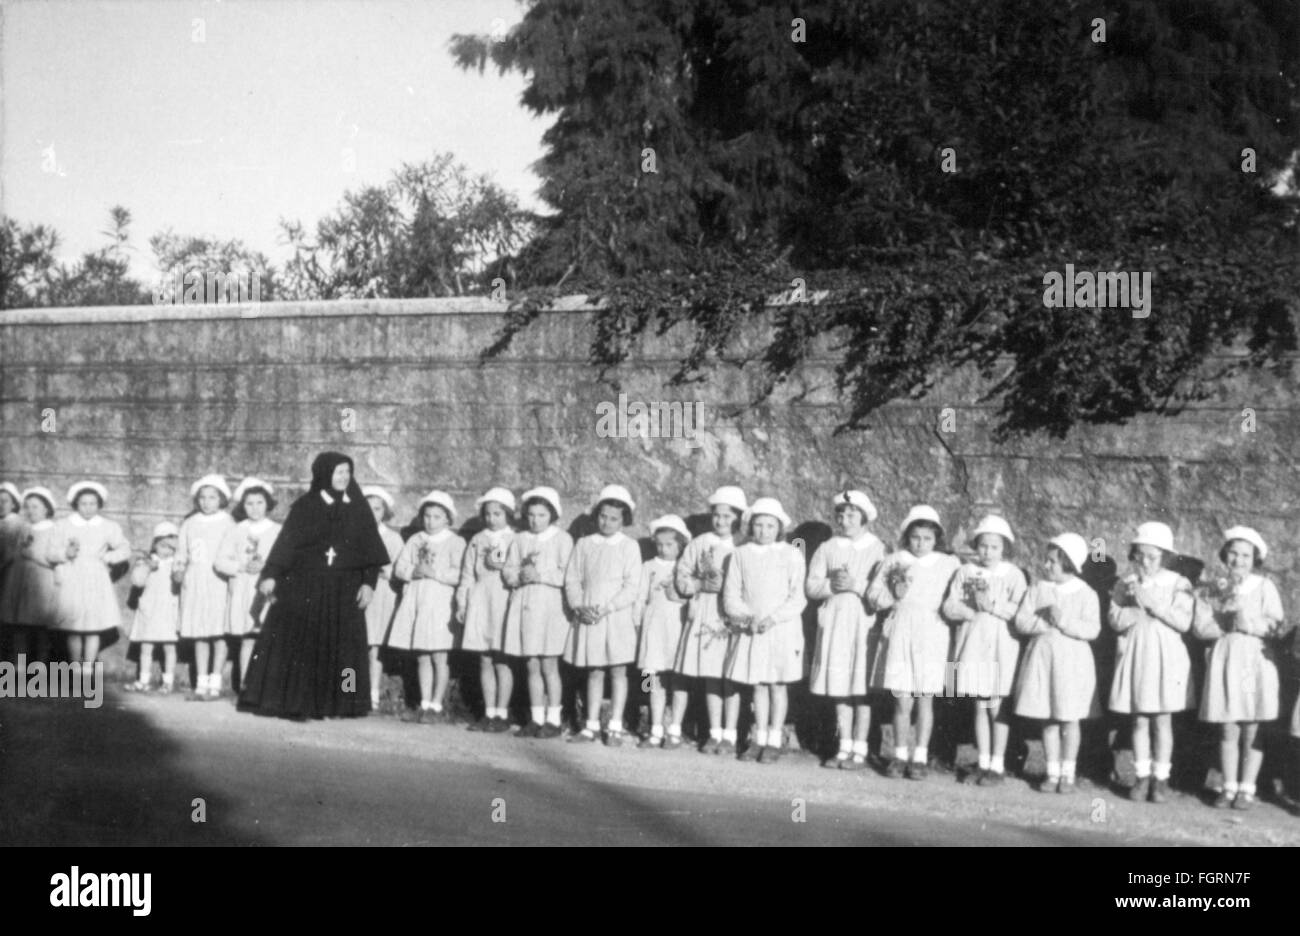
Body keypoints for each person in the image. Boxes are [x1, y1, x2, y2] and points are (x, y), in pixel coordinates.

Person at [239, 452, 390, 720]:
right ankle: (302, 701)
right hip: (306, 588)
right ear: (323, 474)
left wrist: (368, 584)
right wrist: (272, 574)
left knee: (346, 650)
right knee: (305, 649)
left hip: (345, 590)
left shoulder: (358, 508)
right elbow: (286, 545)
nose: (343, 477)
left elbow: (370, 552)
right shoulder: (306, 506)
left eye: (347, 472)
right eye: (337, 472)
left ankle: (347, 701)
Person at [1195, 527, 1290, 810]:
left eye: (1246, 555)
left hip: (1253, 663)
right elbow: (1200, 627)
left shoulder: (1264, 587)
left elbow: (1275, 626)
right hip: (1226, 658)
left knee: (1251, 725)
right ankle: (1228, 786)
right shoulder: (1213, 587)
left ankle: (1246, 788)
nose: (1238, 560)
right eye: (1233, 554)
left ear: (1255, 559)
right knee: (1228, 727)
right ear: (1225, 555)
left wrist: (1246, 619)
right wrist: (1223, 622)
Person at [868, 505, 961, 780]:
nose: (921, 544)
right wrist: (894, 595)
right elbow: (874, 595)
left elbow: (957, 596)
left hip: (932, 633)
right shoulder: (895, 560)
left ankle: (919, 756)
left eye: (927, 539)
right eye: (916, 537)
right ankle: (899, 755)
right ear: (907, 536)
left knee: (925, 700)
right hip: (900, 631)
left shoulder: (948, 564)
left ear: (937, 540)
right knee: (902, 700)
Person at [1108, 522, 1195, 803]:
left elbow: (1183, 621)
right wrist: (1133, 608)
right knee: (1139, 719)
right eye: (1139, 556)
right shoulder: (1126, 583)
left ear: (1165, 557)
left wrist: (1154, 605)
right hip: (1137, 655)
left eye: (1152, 557)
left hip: (1166, 658)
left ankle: (1161, 779)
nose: (1145, 562)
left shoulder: (1178, 583)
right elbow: (1114, 619)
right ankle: (1141, 776)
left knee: (1162, 720)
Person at [943, 515, 1028, 786]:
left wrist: (990, 604)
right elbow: (949, 605)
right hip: (975, 644)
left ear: (1004, 549)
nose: (987, 552)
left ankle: (997, 763)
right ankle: (983, 761)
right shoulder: (966, 572)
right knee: (980, 705)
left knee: (996, 707)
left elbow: (1019, 610)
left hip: (1001, 646)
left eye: (994, 547)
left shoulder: (1013, 575)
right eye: (983, 546)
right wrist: (967, 610)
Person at [1013, 533, 1101, 793]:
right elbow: (1021, 621)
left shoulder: (1086, 593)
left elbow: (1092, 629)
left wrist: (1062, 621)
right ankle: (1051, 771)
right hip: (1043, 659)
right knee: (1048, 718)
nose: (1046, 565)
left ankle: (1068, 773)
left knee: (1069, 718)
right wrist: (1044, 622)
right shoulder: (1038, 588)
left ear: (1069, 563)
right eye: (1047, 560)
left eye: (1053, 561)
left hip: (1072, 664)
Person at [806, 490, 886, 770]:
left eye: (852, 514)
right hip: (836, 624)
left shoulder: (877, 549)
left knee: (861, 689)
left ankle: (861, 748)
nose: (845, 519)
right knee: (840, 688)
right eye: (841, 513)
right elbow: (812, 586)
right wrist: (831, 586)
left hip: (863, 624)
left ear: (864, 517)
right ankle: (844, 746)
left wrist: (856, 585)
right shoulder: (828, 548)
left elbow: (883, 590)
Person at [724, 497, 807, 764]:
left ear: (779, 528)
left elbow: (798, 598)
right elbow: (731, 595)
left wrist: (772, 619)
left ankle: (774, 738)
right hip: (752, 629)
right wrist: (747, 617)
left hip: (781, 629)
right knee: (758, 684)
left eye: (770, 526)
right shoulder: (740, 554)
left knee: (777, 685)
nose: (763, 531)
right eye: (758, 525)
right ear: (750, 526)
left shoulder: (792, 553)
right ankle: (758, 737)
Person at [671, 485, 749, 753]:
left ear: (739, 517)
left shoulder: (744, 545)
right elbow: (682, 576)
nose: (721, 521)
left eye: (728, 516)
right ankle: (715, 732)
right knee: (712, 675)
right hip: (707, 613)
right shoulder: (700, 542)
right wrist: (700, 585)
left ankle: (732, 734)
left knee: (731, 676)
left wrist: (728, 587)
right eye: (716, 515)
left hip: (733, 614)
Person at [565, 484, 642, 746]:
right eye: (603, 516)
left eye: (614, 518)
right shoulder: (584, 544)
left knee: (619, 671)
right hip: (589, 615)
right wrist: (579, 606)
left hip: (615, 616)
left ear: (624, 520)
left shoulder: (629, 546)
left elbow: (632, 586)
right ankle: (591, 725)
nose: (607, 522)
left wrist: (607, 608)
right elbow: (572, 579)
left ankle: (616, 724)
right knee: (594, 671)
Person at [500, 486, 573, 738]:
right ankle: (536, 717)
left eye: (541, 515)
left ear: (552, 515)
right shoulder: (520, 539)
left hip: (550, 607)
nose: (535, 520)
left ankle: (554, 718)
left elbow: (568, 574)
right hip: (526, 604)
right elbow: (508, 569)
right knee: (531, 664)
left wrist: (541, 575)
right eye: (531, 514)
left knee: (549, 664)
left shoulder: (562, 539)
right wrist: (518, 576)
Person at [388, 491, 465, 723]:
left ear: (448, 519)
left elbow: (460, 573)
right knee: (422, 655)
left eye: (437, 517)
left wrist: (436, 573)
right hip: (417, 600)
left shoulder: (455, 542)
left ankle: (437, 704)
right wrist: (413, 571)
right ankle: (424, 702)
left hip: (439, 602)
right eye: (427, 516)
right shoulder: (415, 539)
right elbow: (400, 567)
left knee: (439, 656)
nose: (431, 522)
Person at [47, 481, 131, 675]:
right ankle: (75, 666)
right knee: (74, 625)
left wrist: (108, 558)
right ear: (76, 504)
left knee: (93, 625)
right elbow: (50, 552)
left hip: (96, 578)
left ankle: (88, 667)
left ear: (99, 505)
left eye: (93, 503)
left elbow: (124, 548)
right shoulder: (63, 525)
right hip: (72, 577)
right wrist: (65, 553)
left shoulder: (108, 526)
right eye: (83, 503)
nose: (88, 508)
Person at [458, 487, 518, 732]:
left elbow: (514, 571)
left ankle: (502, 712)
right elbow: (467, 574)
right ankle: (489, 711)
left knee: (502, 660)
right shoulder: (477, 539)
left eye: (498, 514)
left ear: (508, 515)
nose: (492, 518)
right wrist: (462, 602)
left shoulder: (515, 539)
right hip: (481, 601)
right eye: (488, 514)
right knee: (484, 659)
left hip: (503, 600)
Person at [215, 478, 282, 690]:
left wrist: (267, 566)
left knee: (268, 638)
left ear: (268, 504)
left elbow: (286, 559)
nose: (254, 508)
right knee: (247, 638)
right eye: (249, 503)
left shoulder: (278, 530)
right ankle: (246, 685)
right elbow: (220, 561)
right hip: (244, 589)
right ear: (243, 506)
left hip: (268, 589)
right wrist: (242, 567)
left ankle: (269, 687)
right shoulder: (236, 530)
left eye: (259, 503)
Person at [176, 474, 235, 699]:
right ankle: (200, 682)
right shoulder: (190, 523)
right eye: (202, 497)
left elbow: (234, 550)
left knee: (218, 633)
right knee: (200, 633)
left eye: (212, 497)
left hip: (219, 581)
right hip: (196, 581)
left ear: (221, 499)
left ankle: (215, 681)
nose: (206, 502)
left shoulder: (228, 523)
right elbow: (182, 551)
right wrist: (179, 569)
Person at [635, 515, 690, 748]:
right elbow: (640, 598)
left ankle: (675, 729)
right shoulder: (648, 567)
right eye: (659, 544)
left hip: (677, 630)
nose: (663, 549)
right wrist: (638, 626)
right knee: (652, 680)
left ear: (680, 545)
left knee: (679, 681)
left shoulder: (685, 568)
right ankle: (655, 727)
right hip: (654, 630)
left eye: (669, 544)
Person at [126, 522, 182, 693]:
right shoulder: (146, 562)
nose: (166, 550)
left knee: (169, 647)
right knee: (146, 646)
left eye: (171, 547)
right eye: (162, 546)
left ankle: (168, 682)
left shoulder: (178, 564)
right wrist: (146, 568)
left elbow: (182, 585)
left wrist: (179, 572)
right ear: (154, 545)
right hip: (150, 610)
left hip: (169, 610)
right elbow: (137, 581)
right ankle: (143, 680)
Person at [361, 486, 403, 713]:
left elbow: (396, 569)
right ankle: (348, 690)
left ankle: (372, 694)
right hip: (355, 593)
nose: (370, 514)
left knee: (373, 647)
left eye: (376, 509)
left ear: (384, 512)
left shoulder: (392, 538)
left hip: (380, 595)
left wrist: (378, 568)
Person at [8, 487, 59, 662]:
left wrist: (33, 555)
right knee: (20, 629)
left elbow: (55, 559)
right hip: (20, 584)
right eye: (28, 507)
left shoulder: (54, 530)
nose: (31, 511)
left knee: (41, 632)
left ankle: (40, 672)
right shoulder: (22, 529)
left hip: (42, 586)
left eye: (35, 506)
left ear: (46, 508)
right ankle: (18, 672)